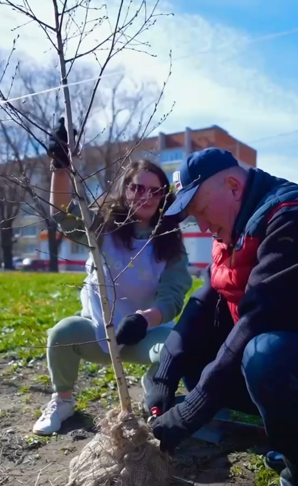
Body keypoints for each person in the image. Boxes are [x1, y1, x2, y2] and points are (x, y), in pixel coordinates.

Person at [145, 147, 298, 486]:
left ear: (233, 185)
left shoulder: (295, 221)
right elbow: (204, 302)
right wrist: (164, 372)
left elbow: (261, 319)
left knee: (265, 354)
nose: (202, 225)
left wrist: (190, 413)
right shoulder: (236, 227)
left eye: (202, 211)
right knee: (199, 355)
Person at [33, 118, 193, 435]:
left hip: (143, 335)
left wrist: (144, 320)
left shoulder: (170, 244)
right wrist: (60, 168)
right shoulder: (101, 228)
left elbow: (173, 298)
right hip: (98, 330)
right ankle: (62, 401)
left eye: (154, 191)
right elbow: (63, 214)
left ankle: (154, 389)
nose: (144, 195)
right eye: (136, 187)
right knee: (61, 334)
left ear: (163, 198)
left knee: (174, 349)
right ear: (125, 190)